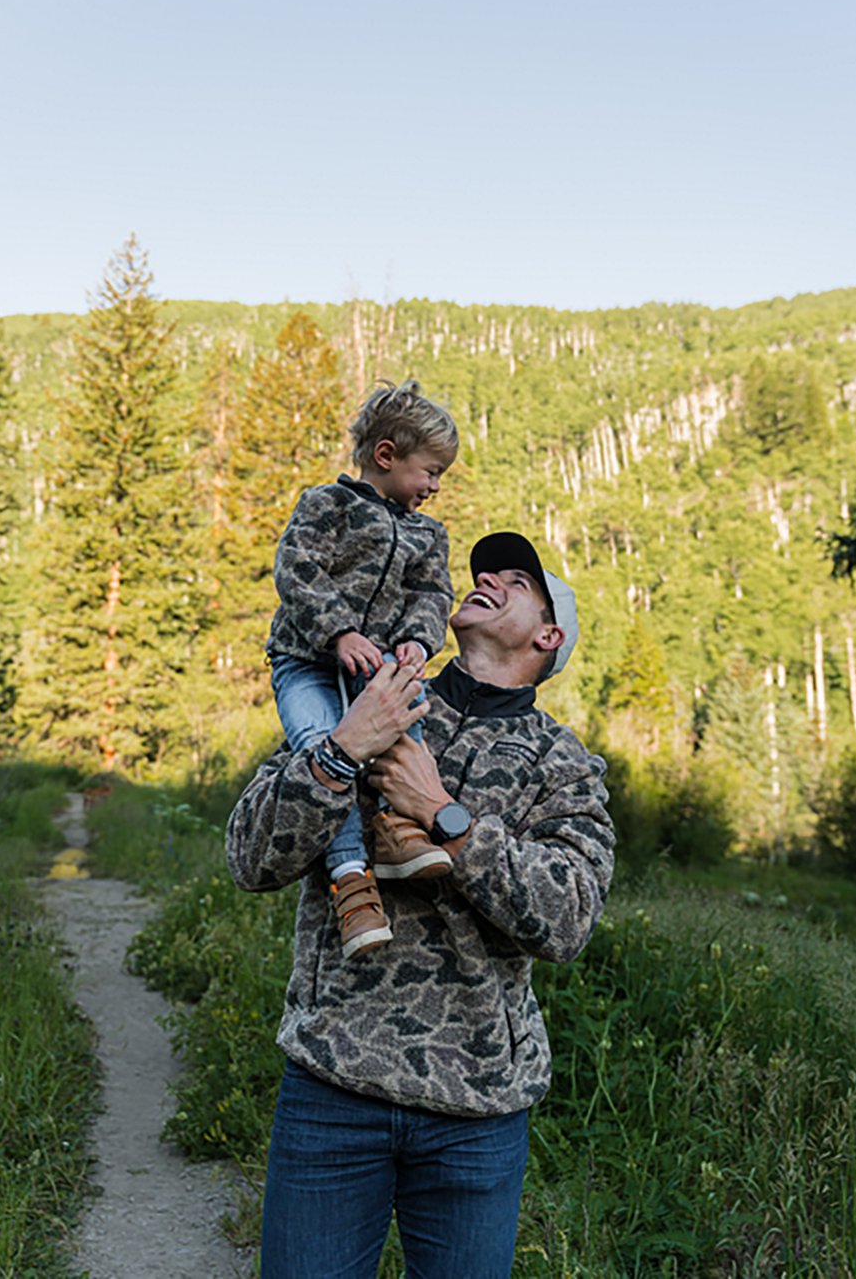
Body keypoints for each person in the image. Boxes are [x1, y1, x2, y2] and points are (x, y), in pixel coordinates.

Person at [226, 530, 615, 1279]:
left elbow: (568, 920)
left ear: (548, 635)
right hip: (334, 1085)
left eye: (517, 580)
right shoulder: (370, 696)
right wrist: (341, 752)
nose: (489, 579)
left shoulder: (561, 764)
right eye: (484, 572)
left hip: (477, 1112)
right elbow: (249, 855)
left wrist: (444, 814)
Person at [266, 379, 459, 959]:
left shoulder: (428, 534)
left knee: (406, 716)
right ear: (386, 457)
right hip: (306, 662)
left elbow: (432, 594)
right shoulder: (326, 505)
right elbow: (296, 568)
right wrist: (338, 632)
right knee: (326, 751)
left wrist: (417, 645)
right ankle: (350, 878)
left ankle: (400, 828)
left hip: (377, 667)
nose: (433, 488)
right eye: (429, 472)